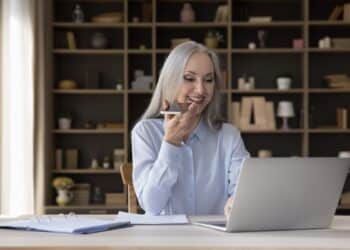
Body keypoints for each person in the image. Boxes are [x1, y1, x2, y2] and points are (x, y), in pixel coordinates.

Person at [131, 41, 249, 216]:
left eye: (208, 80)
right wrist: (171, 143)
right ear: (170, 81)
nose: (201, 90)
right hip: (162, 241)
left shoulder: (229, 136)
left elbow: (244, 190)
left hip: (215, 241)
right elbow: (152, 205)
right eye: (189, 78)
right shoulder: (145, 132)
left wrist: (238, 202)